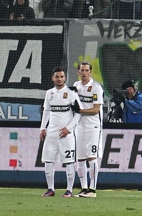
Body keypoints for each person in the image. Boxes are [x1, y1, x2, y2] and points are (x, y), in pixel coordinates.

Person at [40, 67, 81, 197]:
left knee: (69, 162)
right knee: (48, 161)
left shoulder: (71, 93)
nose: (59, 79)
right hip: (51, 133)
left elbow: (79, 114)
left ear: (65, 78)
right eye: (57, 77)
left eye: (62, 76)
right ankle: (50, 189)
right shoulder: (49, 93)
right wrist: (42, 128)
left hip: (66, 135)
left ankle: (69, 190)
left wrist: (68, 129)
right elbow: (46, 111)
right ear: (53, 78)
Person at [71, 62, 104, 198]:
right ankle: (84, 188)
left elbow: (96, 109)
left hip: (93, 127)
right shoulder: (76, 86)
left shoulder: (96, 88)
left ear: (90, 72)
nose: (84, 73)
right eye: (82, 70)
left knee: (92, 158)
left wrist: (80, 111)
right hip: (79, 127)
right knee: (80, 159)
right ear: (78, 72)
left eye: (86, 70)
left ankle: (93, 189)